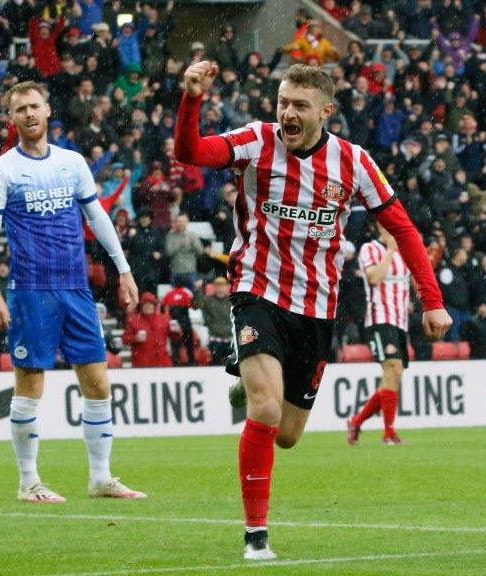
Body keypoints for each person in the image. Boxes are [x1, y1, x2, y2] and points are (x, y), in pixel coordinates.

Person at [175, 61, 451, 560]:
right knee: (264, 407)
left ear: (326, 111)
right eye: (283, 102)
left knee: (286, 435)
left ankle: (250, 379)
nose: (288, 113)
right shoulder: (257, 141)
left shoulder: (354, 162)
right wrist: (192, 99)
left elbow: (404, 230)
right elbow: (190, 152)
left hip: (318, 306)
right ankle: (255, 535)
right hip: (256, 290)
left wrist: (431, 302)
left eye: (300, 105)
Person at [0, 81, 146, 504]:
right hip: (32, 291)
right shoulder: (1, 171)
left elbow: (98, 217)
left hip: (76, 289)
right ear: (12, 119)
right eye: (21, 109)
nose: (29, 114)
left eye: (35, 106)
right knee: (30, 384)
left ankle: (101, 478)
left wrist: (123, 269)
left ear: (48, 110)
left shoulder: (72, 163)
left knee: (97, 383)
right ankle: (28, 482)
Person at [348, 222, 412, 446]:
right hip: (379, 319)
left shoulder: (404, 250)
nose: (391, 231)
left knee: (394, 376)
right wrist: (391, 251)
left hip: (400, 321)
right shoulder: (369, 249)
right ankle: (388, 432)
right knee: (392, 369)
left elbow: (407, 281)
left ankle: (356, 421)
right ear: (379, 228)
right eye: (387, 228)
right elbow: (374, 278)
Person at [124, 292, 174, 368]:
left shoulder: (164, 319)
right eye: (145, 304)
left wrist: (177, 331)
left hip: (162, 362)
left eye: (150, 303)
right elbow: (125, 339)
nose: (148, 306)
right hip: (142, 363)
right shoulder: (133, 320)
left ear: (154, 305)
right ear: (141, 306)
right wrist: (135, 338)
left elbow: (175, 336)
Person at [193, 277, 233, 365]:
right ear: (214, 287)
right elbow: (197, 304)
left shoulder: (231, 301)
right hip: (215, 339)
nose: (220, 288)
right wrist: (197, 289)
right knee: (215, 365)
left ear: (226, 287)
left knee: (232, 367)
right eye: (218, 286)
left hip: (230, 339)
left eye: (222, 286)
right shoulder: (209, 300)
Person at [162, 274, 196, 366]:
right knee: (189, 345)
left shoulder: (169, 293)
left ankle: (176, 363)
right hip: (185, 320)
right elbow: (193, 306)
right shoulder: (187, 292)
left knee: (175, 345)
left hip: (174, 321)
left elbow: (163, 306)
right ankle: (191, 362)